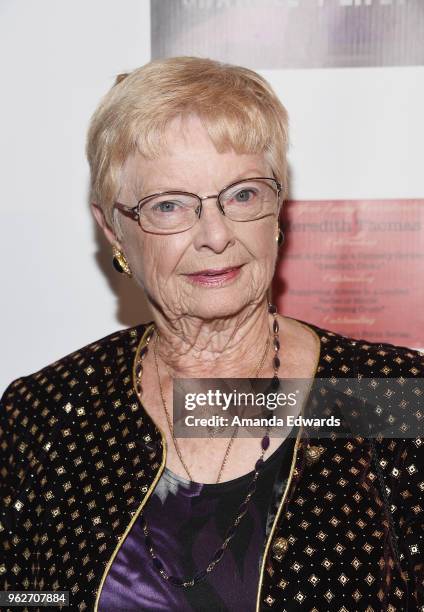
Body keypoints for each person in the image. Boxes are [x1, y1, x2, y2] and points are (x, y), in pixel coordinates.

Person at [0, 56, 423, 612]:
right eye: (170, 205)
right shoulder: (46, 413)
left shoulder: (393, 396)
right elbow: (24, 600)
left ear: (278, 208)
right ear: (113, 229)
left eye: (243, 195)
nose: (216, 235)